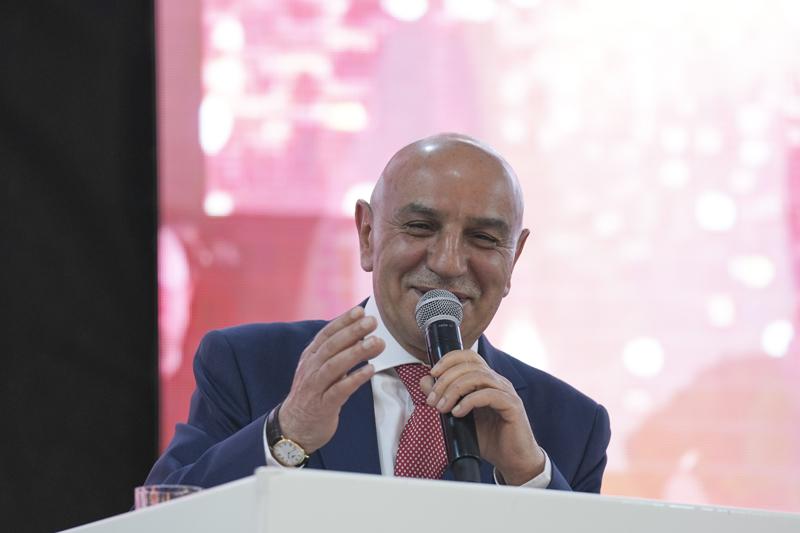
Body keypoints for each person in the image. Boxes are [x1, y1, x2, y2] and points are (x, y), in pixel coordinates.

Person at [145, 133, 610, 491]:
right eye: (421, 227)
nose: (448, 262)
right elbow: (160, 519)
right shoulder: (250, 365)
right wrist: (287, 435)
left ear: (514, 258)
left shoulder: (569, 424)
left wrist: (529, 478)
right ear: (367, 235)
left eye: (484, 238)